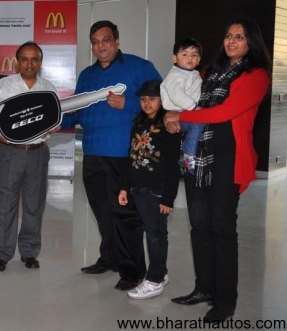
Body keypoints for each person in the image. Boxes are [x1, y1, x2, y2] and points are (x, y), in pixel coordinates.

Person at [165, 17, 270, 322]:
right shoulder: (209, 71)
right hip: (196, 160)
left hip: (227, 161)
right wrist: (172, 117)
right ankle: (204, 289)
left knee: (222, 231)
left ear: (251, 42)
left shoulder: (256, 75)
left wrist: (181, 116)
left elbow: (225, 112)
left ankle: (225, 302)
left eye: (239, 37)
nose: (231, 41)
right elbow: (185, 96)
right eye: (228, 35)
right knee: (199, 228)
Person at [61, 20, 161, 291]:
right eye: (95, 42)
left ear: (117, 41)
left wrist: (129, 103)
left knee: (125, 214)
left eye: (105, 40)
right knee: (103, 213)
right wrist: (55, 122)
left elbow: (160, 101)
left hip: (123, 155)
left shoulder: (139, 67)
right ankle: (110, 258)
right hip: (92, 154)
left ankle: (132, 270)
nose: (100, 46)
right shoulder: (87, 75)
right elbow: (77, 113)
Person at [0, 41, 57, 272]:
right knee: (5, 205)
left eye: (34, 59)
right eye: (24, 59)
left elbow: (55, 116)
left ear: (40, 62)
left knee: (34, 206)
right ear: (17, 62)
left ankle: (29, 252)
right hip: (9, 153)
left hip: (37, 153)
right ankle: (2, 254)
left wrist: (53, 125)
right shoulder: (4, 85)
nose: (29, 64)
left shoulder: (48, 88)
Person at [118, 79, 181, 299]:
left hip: (157, 191)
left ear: (162, 100)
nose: (147, 103)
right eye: (143, 99)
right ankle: (160, 272)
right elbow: (132, 157)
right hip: (138, 189)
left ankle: (154, 280)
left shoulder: (168, 126)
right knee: (152, 233)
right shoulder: (138, 123)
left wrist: (168, 198)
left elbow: (173, 165)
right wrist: (125, 187)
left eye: (152, 98)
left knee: (156, 235)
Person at [160, 38, 203, 172]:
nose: (190, 58)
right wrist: (194, 107)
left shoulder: (193, 74)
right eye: (184, 54)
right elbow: (176, 94)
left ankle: (186, 157)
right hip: (177, 114)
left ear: (199, 60)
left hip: (185, 113)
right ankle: (188, 160)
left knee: (196, 128)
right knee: (197, 126)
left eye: (194, 55)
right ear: (175, 58)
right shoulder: (176, 75)